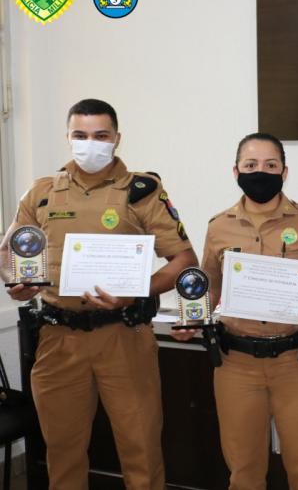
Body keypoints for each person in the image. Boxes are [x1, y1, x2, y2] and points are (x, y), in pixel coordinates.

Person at [1, 98, 197, 489]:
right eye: (81, 135)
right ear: (68, 137)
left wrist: (136, 293)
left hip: (123, 337)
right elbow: (8, 253)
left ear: (116, 139)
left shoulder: (141, 191)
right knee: (62, 453)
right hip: (58, 339)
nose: (90, 144)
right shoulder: (41, 192)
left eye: (101, 135)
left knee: (141, 450)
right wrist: (17, 284)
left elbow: (184, 260)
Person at [173, 132, 298, 489]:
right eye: (251, 165)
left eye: (270, 165)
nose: (260, 172)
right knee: (243, 473)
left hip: (297, 364)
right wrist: (192, 319)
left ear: (284, 172)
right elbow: (209, 285)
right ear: (236, 171)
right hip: (237, 363)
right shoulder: (219, 226)